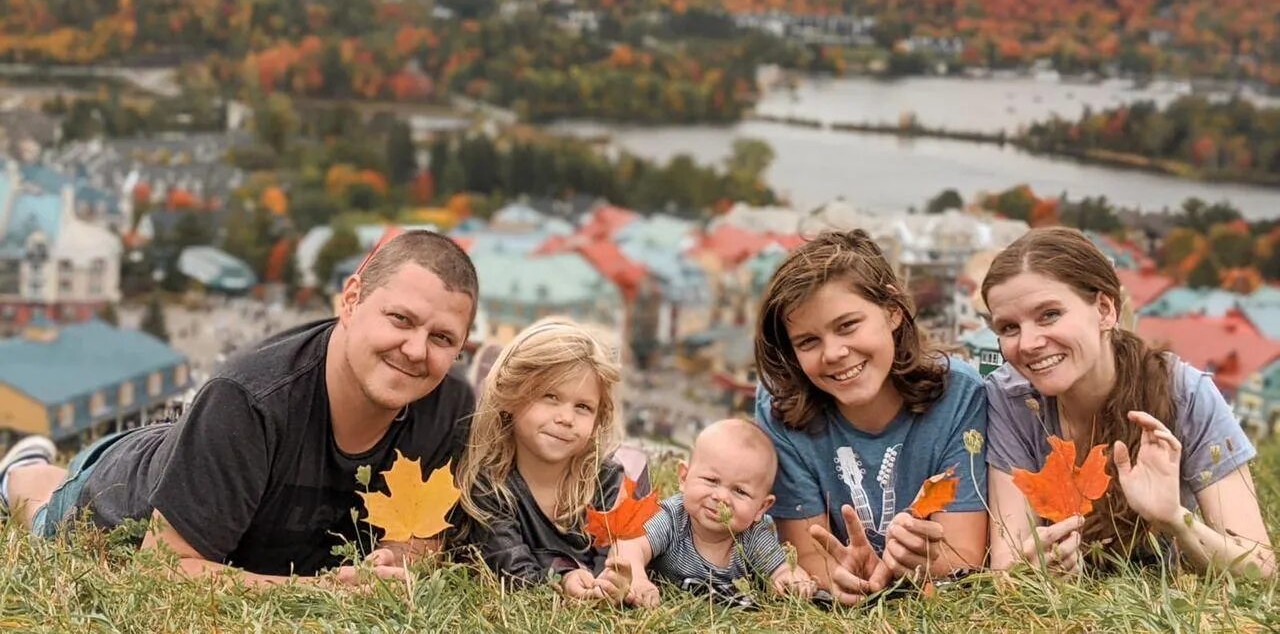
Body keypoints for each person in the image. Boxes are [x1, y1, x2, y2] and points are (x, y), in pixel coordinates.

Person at [0, 230, 478, 585]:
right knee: (42, 504)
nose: (417, 350)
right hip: (123, 494)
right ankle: (20, 470)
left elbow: (422, 538)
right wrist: (325, 593)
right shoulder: (251, 399)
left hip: (197, 453)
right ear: (351, 300)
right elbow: (165, 570)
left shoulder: (451, 407)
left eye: (441, 338)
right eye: (400, 319)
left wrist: (394, 562)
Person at [982, 226, 1275, 576]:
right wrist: (1041, 573)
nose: (1028, 343)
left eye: (1049, 314)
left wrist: (1176, 520)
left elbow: (1262, 569)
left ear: (1105, 309)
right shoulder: (1011, 401)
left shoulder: (1185, 393)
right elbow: (1008, 565)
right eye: (1009, 328)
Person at [753, 230, 988, 605]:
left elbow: (964, 553)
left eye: (847, 325)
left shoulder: (959, 396)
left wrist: (921, 562)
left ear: (893, 310)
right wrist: (840, 577)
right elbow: (807, 552)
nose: (833, 353)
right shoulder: (780, 409)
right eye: (808, 342)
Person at [448, 319, 631, 602]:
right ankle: (483, 375)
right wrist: (562, 584)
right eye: (550, 397)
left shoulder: (606, 478)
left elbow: (613, 558)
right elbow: (511, 569)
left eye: (583, 407)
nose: (566, 418)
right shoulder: (489, 485)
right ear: (510, 396)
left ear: (598, 420)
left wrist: (608, 584)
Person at [617, 418, 815, 607]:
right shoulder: (672, 518)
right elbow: (630, 545)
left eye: (740, 491)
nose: (721, 497)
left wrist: (789, 579)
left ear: (762, 507)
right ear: (684, 478)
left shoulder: (752, 536)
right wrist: (637, 579)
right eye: (711, 480)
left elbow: (779, 570)